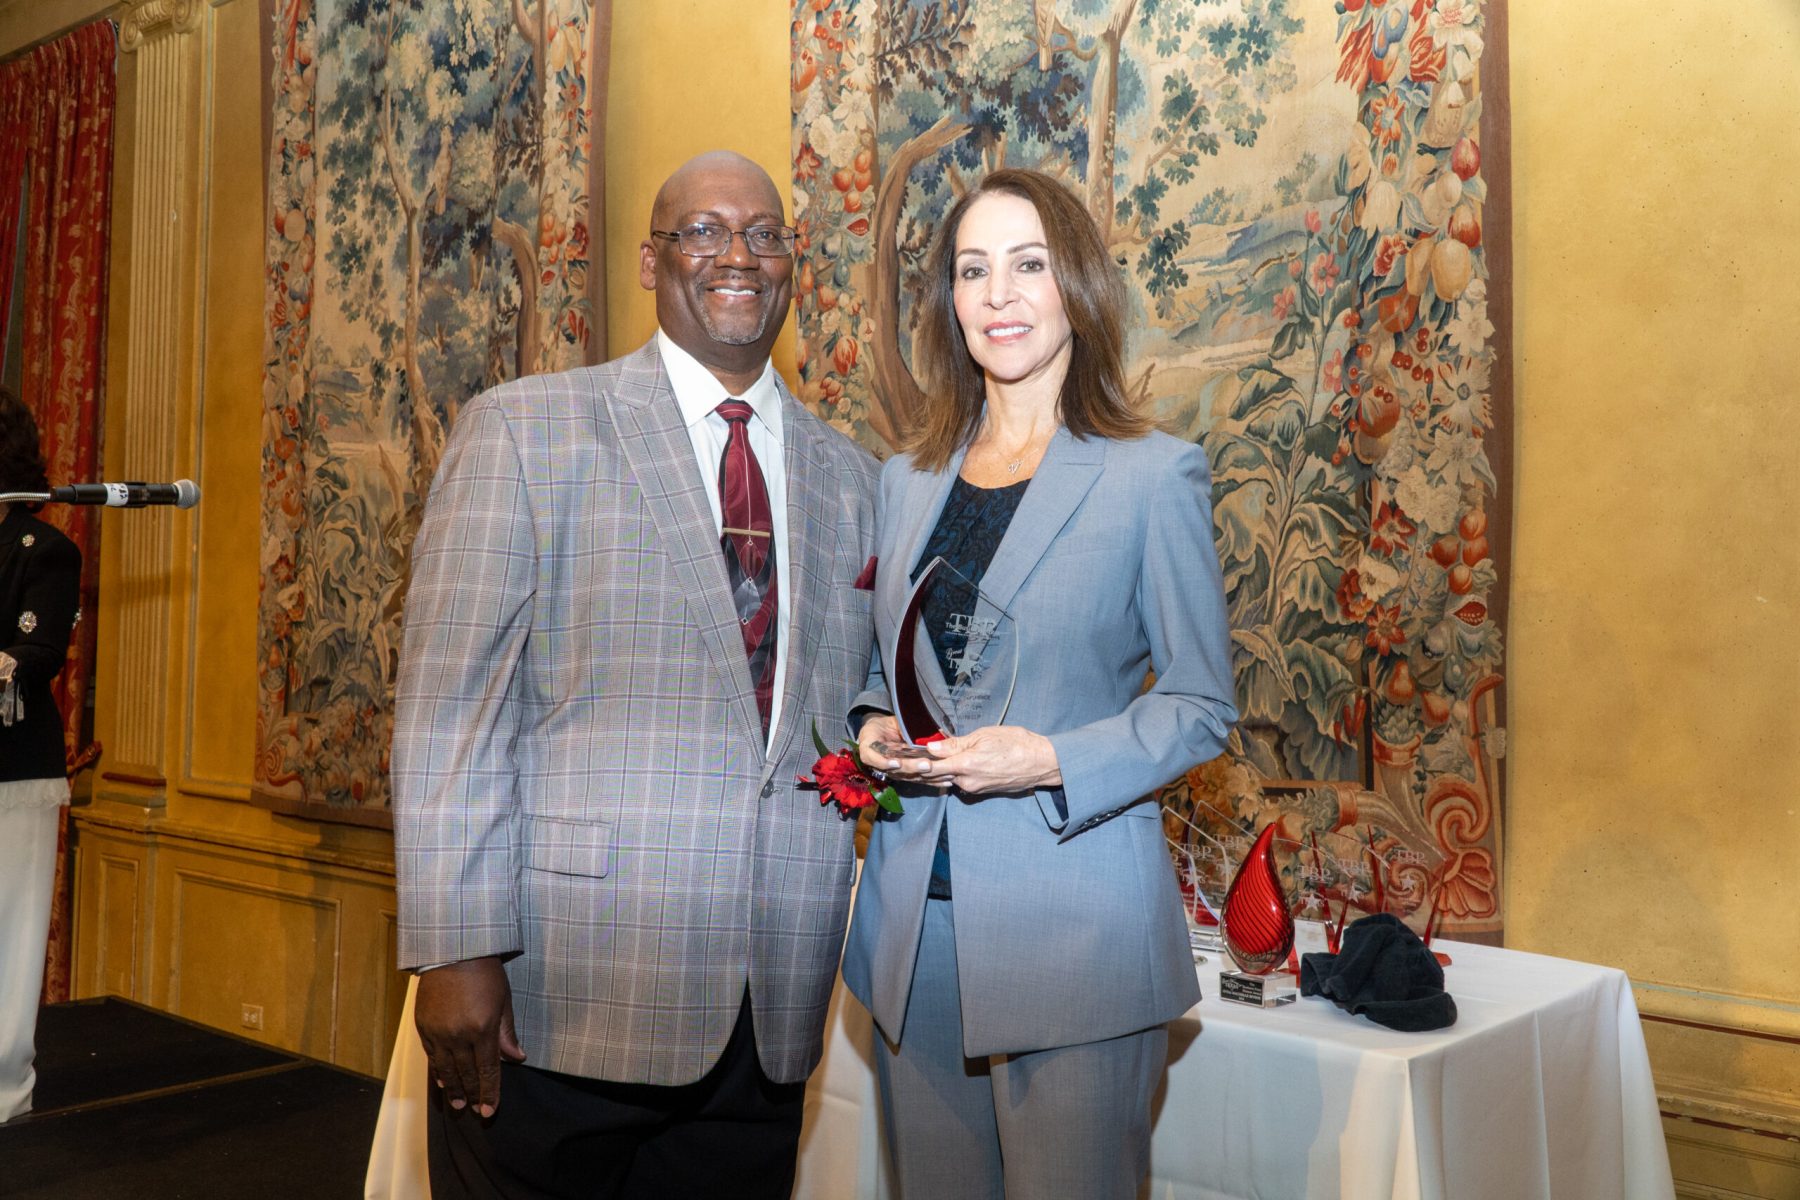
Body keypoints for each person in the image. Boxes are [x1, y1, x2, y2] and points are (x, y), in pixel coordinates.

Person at [392, 150, 879, 1199]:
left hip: (767, 1010)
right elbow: (447, 710)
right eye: (703, 231)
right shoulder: (526, 429)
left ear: (793, 265)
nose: (738, 254)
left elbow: (861, 703)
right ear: (653, 262)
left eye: (764, 234)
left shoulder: (856, 478)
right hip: (559, 996)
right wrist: (455, 947)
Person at [841, 168, 1238, 1199]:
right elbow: (881, 669)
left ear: (1079, 287)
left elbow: (1201, 704)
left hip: (1076, 934)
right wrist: (873, 725)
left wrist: (1050, 759)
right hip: (915, 936)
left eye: (1028, 265)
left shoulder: (1153, 475)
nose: (999, 295)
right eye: (974, 271)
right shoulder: (905, 480)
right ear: (950, 300)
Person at [0, 387, 81, 1124]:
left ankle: (4, 1088)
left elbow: (38, 657)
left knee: (11, 928)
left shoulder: (45, 551)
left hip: (14, 768)